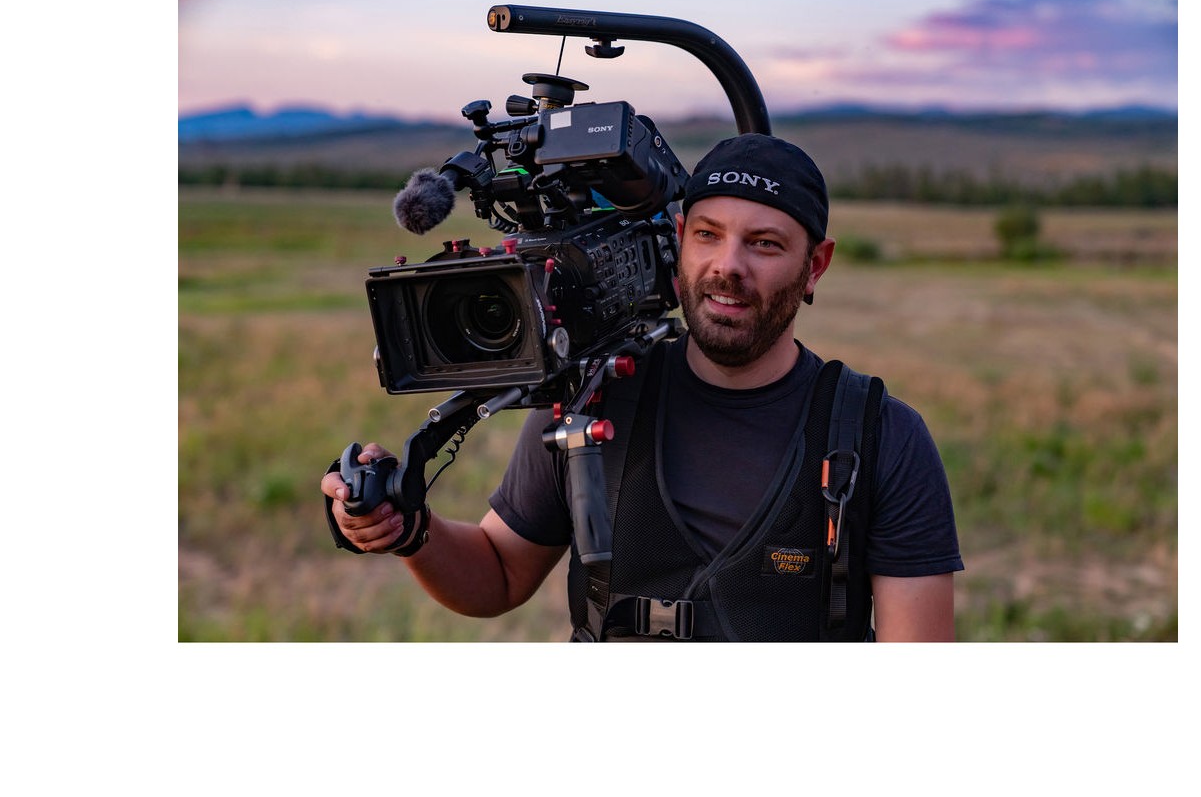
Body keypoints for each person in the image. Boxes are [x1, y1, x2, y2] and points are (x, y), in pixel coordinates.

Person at [322, 134, 963, 641]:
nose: (728, 266)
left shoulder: (879, 435)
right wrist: (409, 529)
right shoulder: (594, 393)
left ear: (815, 266)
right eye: (708, 235)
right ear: (679, 241)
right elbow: (497, 573)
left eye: (765, 244)